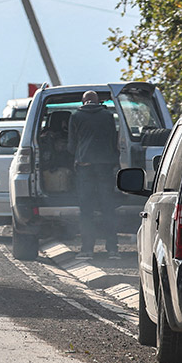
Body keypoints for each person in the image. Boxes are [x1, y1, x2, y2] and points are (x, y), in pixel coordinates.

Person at [67, 90, 119, 260]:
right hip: (105, 167)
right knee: (107, 208)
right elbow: (114, 140)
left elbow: (71, 146)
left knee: (86, 209)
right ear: (97, 101)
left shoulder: (76, 116)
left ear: (84, 102)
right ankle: (112, 250)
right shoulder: (107, 116)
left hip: (85, 167)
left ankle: (87, 249)